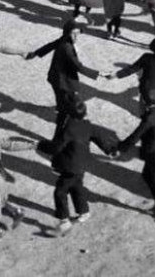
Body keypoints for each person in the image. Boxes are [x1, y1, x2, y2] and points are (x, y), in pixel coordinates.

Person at [26, 19, 102, 137]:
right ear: (67, 33)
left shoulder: (64, 39)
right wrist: (99, 74)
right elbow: (78, 67)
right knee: (67, 111)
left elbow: (50, 45)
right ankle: (58, 138)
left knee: (63, 108)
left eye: (78, 33)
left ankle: (59, 133)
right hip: (64, 83)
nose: (76, 36)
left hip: (57, 79)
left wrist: (35, 53)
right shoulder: (67, 47)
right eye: (73, 33)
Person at [51, 101, 117, 236]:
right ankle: (83, 212)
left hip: (71, 166)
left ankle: (64, 220)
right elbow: (98, 137)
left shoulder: (69, 128)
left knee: (60, 191)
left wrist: (41, 146)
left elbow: (57, 147)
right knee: (76, 187)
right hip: (82, 164)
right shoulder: (87, 125)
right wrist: (110, 150)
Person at [117, 89, 155, 223]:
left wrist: (121, 147)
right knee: (147, 175)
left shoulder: (149, 118)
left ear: (144, 102)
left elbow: (135, 136)